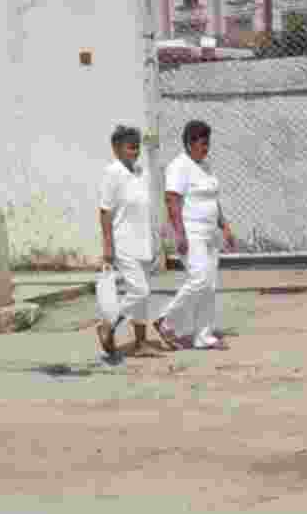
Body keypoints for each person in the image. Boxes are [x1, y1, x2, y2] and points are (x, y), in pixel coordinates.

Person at [154, 120, 236, 351]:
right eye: (202, 144)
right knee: (199, 278)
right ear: (189, 144)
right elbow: (171, 201)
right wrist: (179, 234)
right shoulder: (178, 166)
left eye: (208, 143)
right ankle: (166, 321)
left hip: (210, 233)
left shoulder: (206, 167)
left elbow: (213, 200)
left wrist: (225, 226)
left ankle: (203, 335)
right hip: (191, 233)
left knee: (208, 285)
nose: (206, 148)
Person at [97, 124, 157, 357]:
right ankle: (108, 325)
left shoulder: (141, 172)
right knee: (140, 291)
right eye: (130, 147)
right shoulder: (112, 172)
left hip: (142, 242)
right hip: (123, 243)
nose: (135, 152)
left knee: (142, 296)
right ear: (116, 149)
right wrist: (108, 246)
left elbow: (143, 208)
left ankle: (141, 342)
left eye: (136, 147)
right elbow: (104, 211)